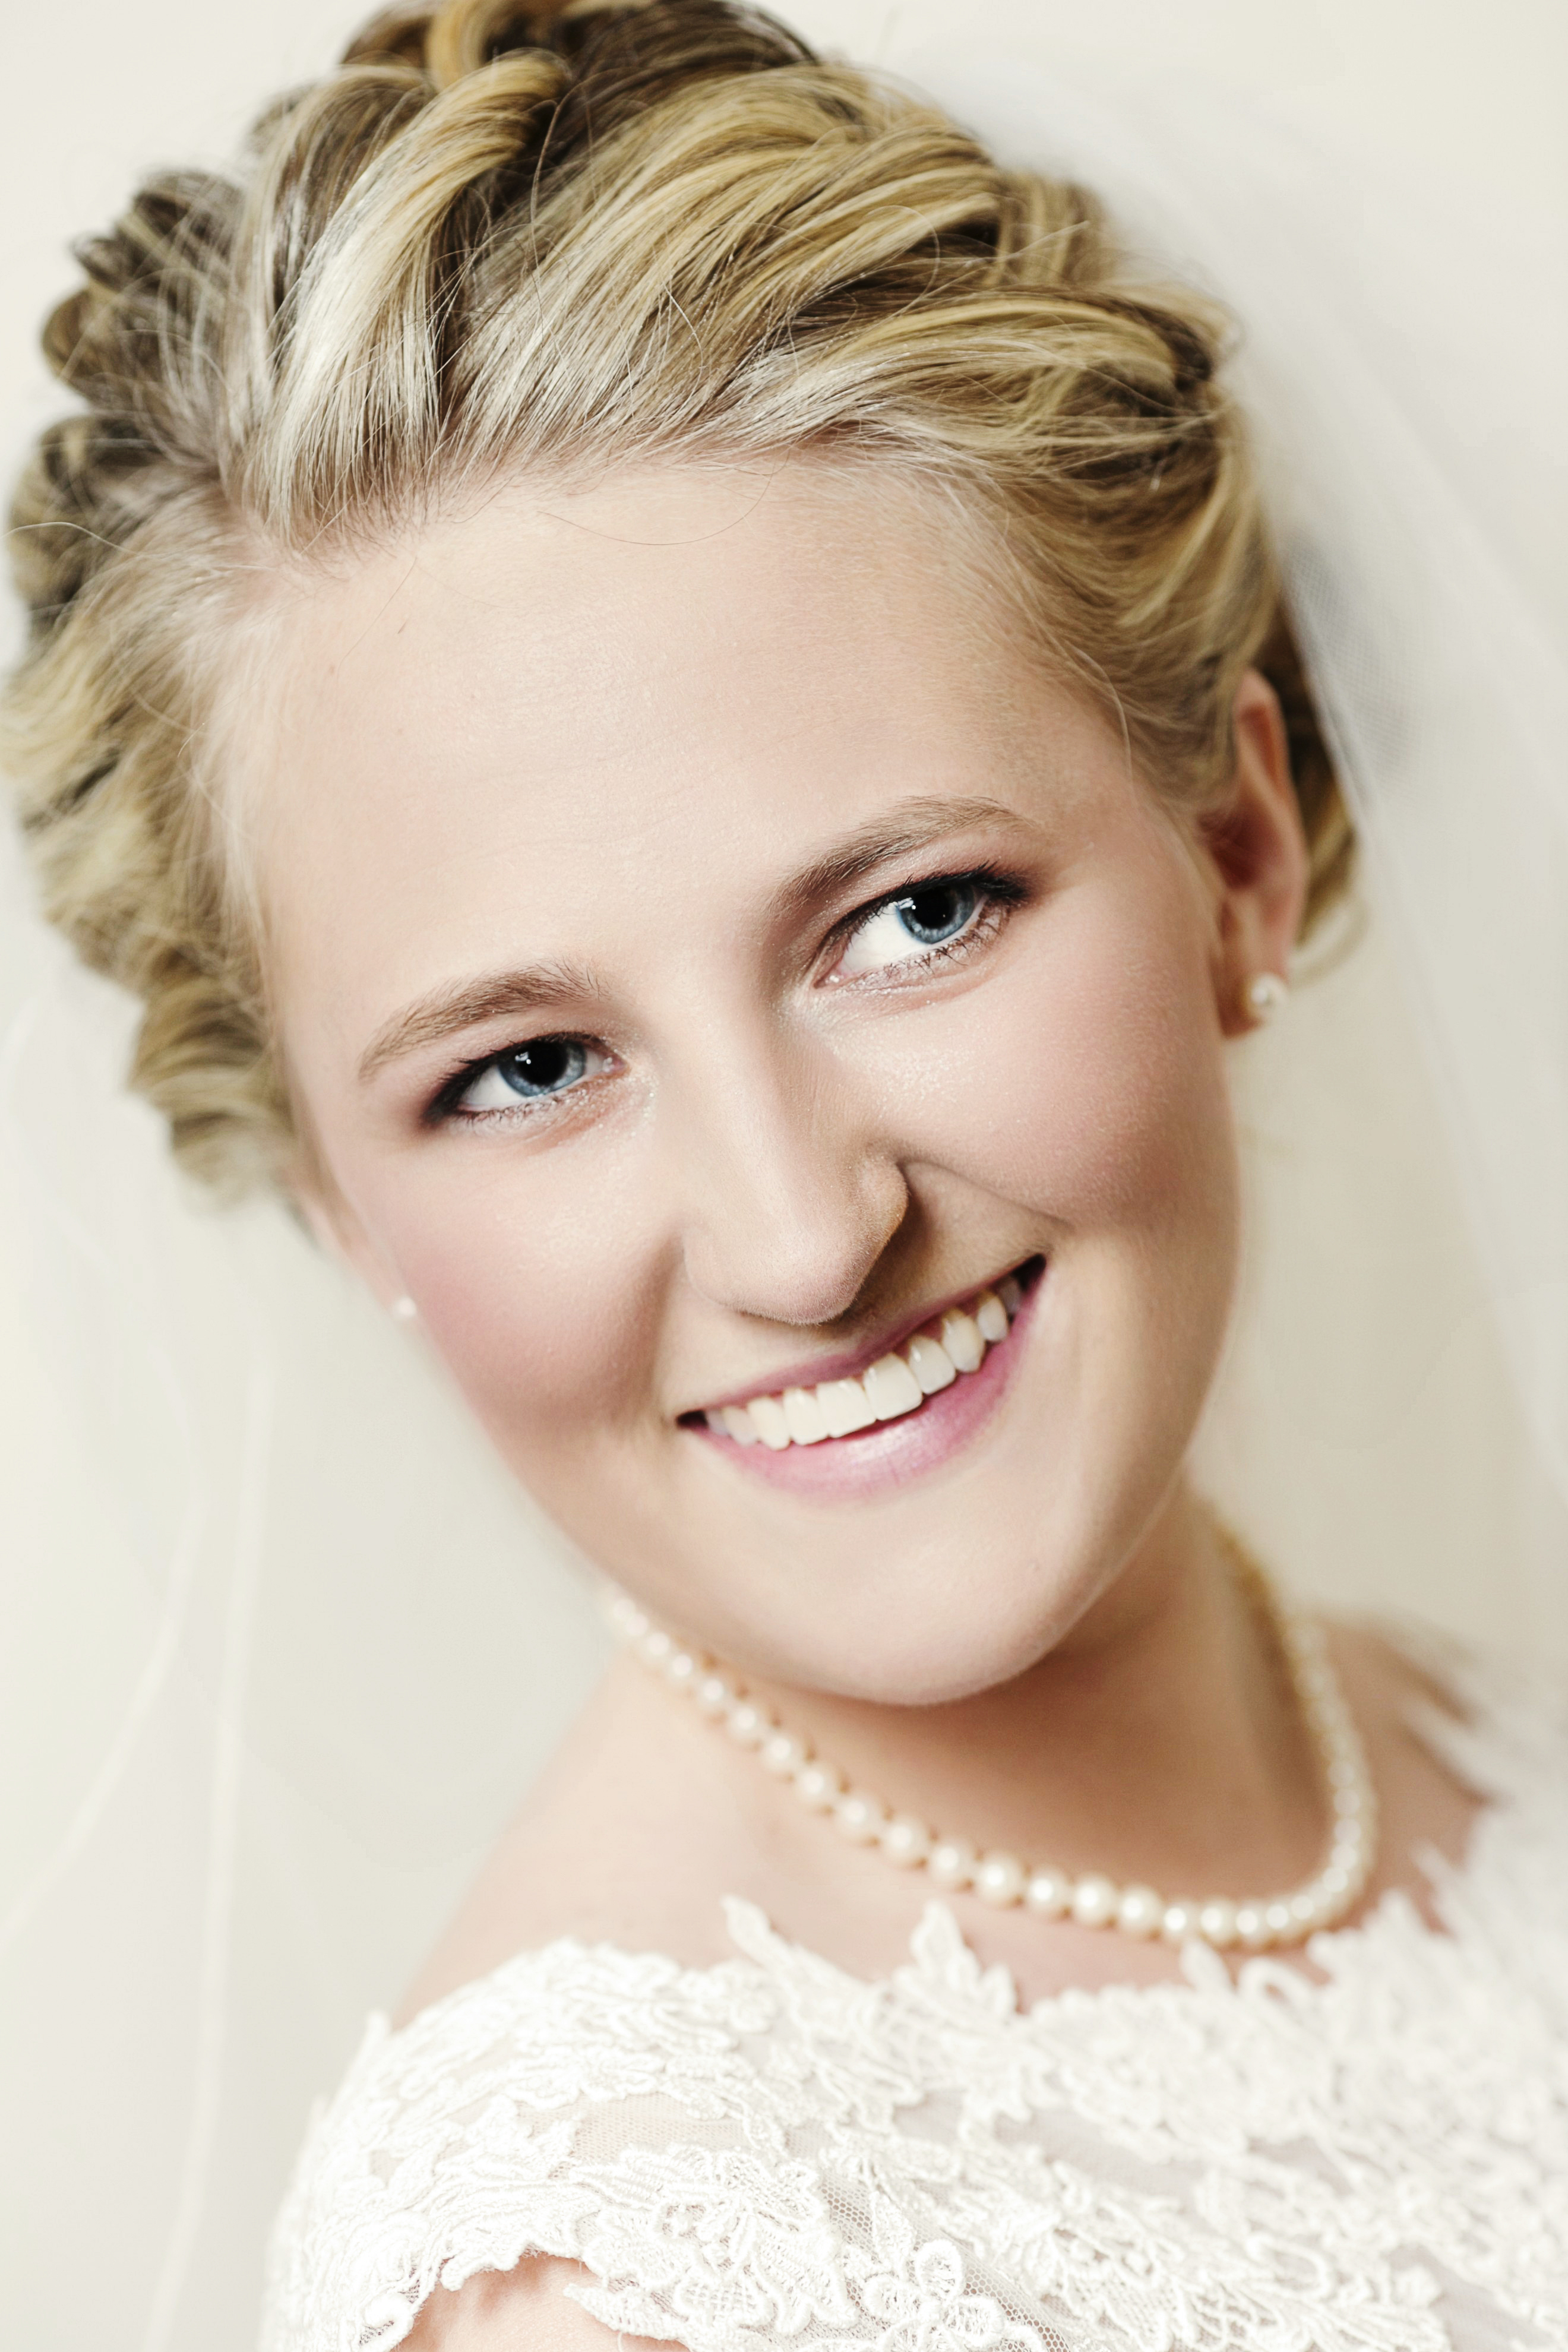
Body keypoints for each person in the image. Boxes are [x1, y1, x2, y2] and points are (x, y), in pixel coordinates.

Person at [5, 2, 1566, 2346]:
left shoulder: (1490, 1767)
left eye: (915, 919)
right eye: (529, 1068)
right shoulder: (612, 2280)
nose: (808, 1235)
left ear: (1238, 851)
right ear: (340, 1204)